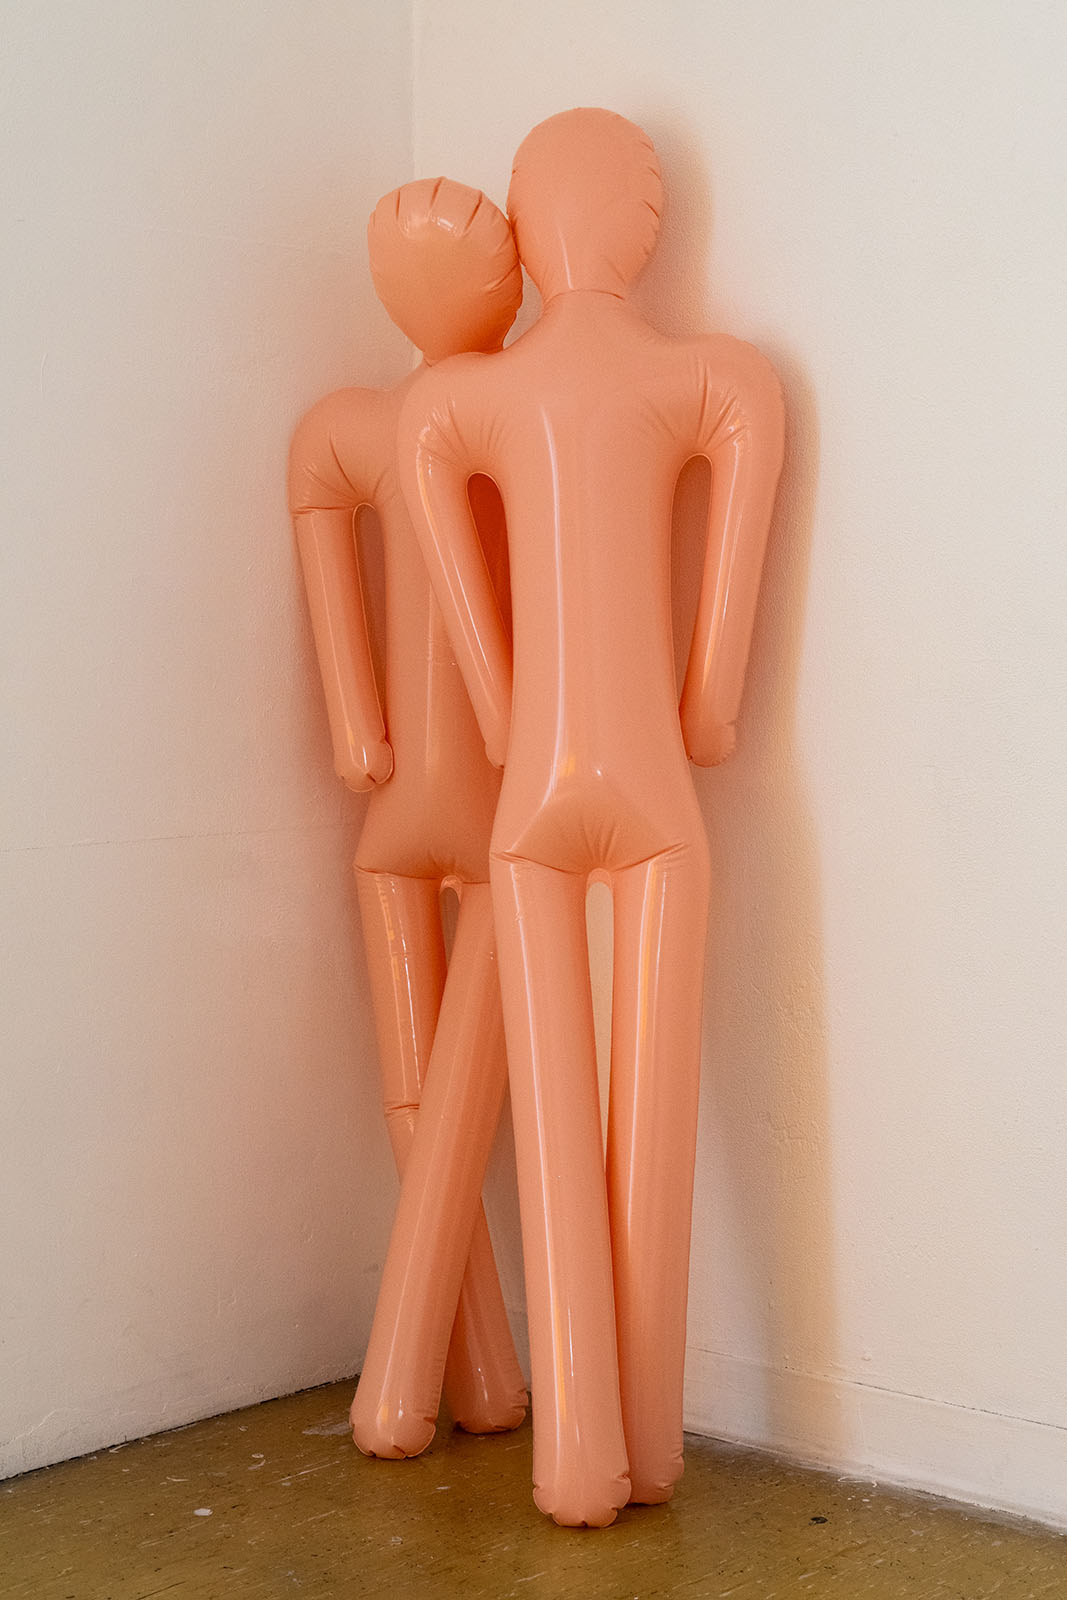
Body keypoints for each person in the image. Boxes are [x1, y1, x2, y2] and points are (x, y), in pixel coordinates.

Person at [397, 109, 785, 1525]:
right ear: (647, 227)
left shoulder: (456, 402)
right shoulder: (719, 378)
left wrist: (508, 717)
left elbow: (461, 596)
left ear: (521, 224)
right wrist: (705, 710)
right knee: (649, 1119)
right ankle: (649, 1446)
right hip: (654, 787)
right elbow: (718, 663)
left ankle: (574, 1457)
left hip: (533, 791)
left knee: (560, 1128)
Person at [287, 177, 527, 1447]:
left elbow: (330, 568)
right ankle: (466, 1379)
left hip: (421, 803)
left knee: (430, 1102)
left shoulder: (372, 427)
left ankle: (427, 1387)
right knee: (438, 1103)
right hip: (477, 800)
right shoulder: (480, 414)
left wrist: (359, 732)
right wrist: (357, 726)